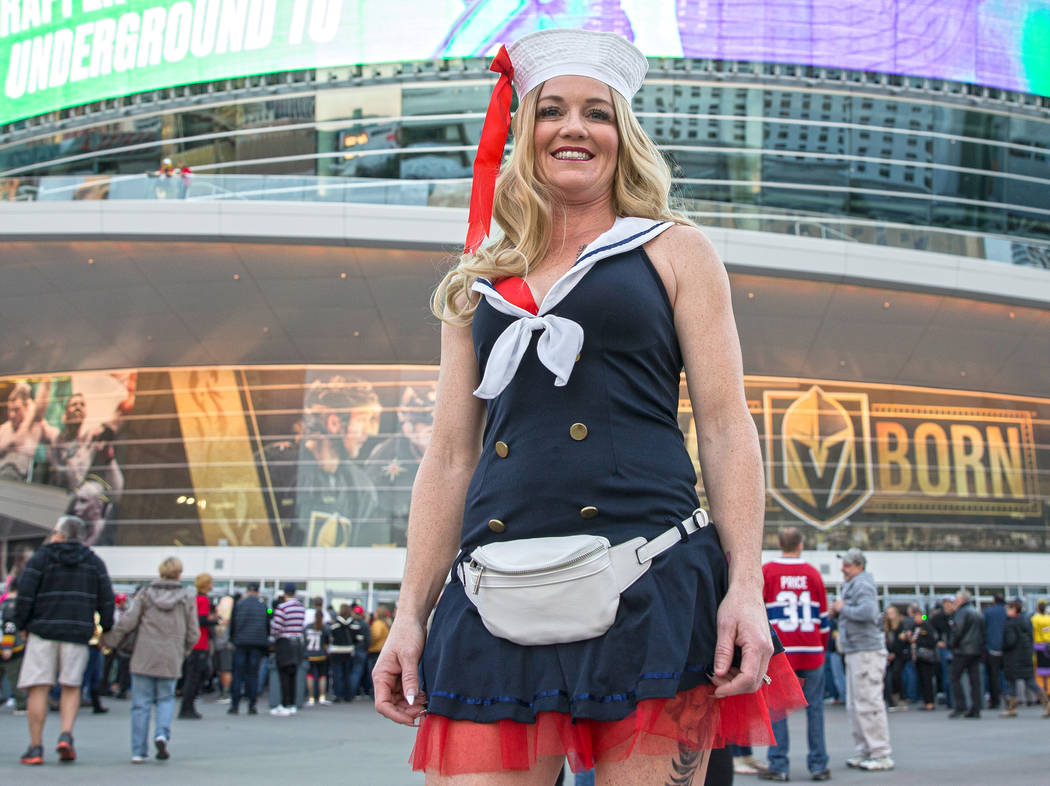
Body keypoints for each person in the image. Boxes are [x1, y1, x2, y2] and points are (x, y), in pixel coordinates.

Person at [372, 28, 804, 783]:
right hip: (490, 590)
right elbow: (448, 456)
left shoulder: (676, 249)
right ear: (524, 131)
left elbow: (727, 427)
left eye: (597, 113)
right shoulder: (478, 277)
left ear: (622, 136)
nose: (573, 128)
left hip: (651, 580)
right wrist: (410, 610)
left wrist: (745, 587)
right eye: (552, 111)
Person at [13, 515, 114, 765]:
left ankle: (35, 747)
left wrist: (22, 625)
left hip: (42, 631)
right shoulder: (93, 562)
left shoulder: (40, 559)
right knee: (71, 686)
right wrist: (107, 629)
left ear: (59, 534)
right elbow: (106, 599)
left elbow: (25, 595)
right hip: (77, 633)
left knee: (39, 687)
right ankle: (66, 735)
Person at [100, 556, 199, 763]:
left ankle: (138, 751)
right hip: (171, 655)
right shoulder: (187, 598)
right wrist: (185, 651)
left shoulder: (145, 594)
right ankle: (161, 734)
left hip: (144, 654)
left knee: (141, 703)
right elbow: (193, 632)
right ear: (179, 574)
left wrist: (109, 640)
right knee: (166, 698)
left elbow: (128, 622)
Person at [760, 527, 830, 781]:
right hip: (811, 651)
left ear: (780, 544)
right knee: (816, 710)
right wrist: (821, 647)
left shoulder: (768, 571)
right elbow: (823, 618)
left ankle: (779, 766)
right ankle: (819, 765)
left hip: (781, 653)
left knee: (777, 709)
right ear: (800, 545)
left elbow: (760, 613)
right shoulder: (812, 573)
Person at [829, 548, 893, 771]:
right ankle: (866, 750)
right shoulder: (854, 584)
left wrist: (842, 608)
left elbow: (868, 612)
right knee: (857, 704)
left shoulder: (862, 584)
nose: (842, 569)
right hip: (857, 650)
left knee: (868, 702)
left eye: (847, 565)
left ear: (859, 566)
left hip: (866, 651)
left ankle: (880, 752)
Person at [1001, 599, 1049, 718]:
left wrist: (1003, 646)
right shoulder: (1027, 620)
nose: (1006, 611)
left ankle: (1012, 707)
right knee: (1030, 681)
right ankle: (1046, 703)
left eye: (1007, 609)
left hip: (1013, 657)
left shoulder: (1011, 623)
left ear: (1013, 609)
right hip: (1028, 655)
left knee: (1012, 681)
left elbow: (1010, 641)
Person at [227, 582, 269, 715]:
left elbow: (233, 624)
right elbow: (267, 623)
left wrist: (232, 640)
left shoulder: (239, 605)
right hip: (257, 644)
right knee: (253, 674)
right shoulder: (263, 606)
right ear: (257, 592)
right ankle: (252, 705)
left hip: (240, 643)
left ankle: (235, 705)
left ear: (247, 591)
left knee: (238, 674)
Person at [178, 573, 216, 720]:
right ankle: (187, 706)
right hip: (200, 643)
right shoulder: (203, 600)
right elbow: (201, 620)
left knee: (193, 675)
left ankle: (188, 706)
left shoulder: (196, 599)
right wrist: (215, 622)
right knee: (196, 676)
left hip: (196, 642)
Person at [0, 380, 50, 482]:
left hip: (20, 482)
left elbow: (40, 406)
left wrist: (46, 379)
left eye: (16, 410)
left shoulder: (30, 426)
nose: (12, 415)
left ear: (26, 406)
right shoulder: (3, 429)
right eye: (10, 410)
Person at [948, 589, 985, 719]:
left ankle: (960, 705)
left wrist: (951, 644)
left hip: (963, 650)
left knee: (954, 676)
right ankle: (976, 707)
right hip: (976, 650)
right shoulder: (976, 612)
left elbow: (957, 630)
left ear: (961, 599)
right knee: (975, 680)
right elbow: (982, 631)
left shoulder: (962, 612)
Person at [270, 582, 305, 716]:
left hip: (284, 642)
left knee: (283, 674)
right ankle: (292, 704)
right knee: (293, 674)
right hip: (297, 642)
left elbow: (276, 628)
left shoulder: (282, 607)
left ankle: (283, 703)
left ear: (284, 593)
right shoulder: (301, 608)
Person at [1, 581, 27, 715]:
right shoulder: (12, 604)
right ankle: (22, 705)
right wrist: (7, 646)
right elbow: (9, 626)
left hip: (4, 645)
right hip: (11, 648)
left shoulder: (3, 601)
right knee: (15, 677)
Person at [910, 605, 939, 711]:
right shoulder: (913, 627)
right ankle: (926, 701)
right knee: (922, 680)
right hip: (917, 657)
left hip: (926, 657)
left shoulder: (927, 627)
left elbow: (932, 641)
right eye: (915, 617)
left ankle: (930, 702)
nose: (916, 619)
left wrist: (918, 641)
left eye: (919, 617)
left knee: (927, 680)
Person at [882, 606, 910, 711]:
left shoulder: (901, 626)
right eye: (888, 613)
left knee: (896, 675)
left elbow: (901, 642)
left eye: (892, 613)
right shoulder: (885, 627)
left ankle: (901, 697)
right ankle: (891, 699)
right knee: (887, 678)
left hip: (898, 655)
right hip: (887, 655)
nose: (890, 616)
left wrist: (894, 653)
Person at [982, 593, 1006, 711]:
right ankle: (1008, 697)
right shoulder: (1007, 611)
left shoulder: (988, 612)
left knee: (993, 675)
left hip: (991, 647)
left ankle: (995, 700)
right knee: (1006, 675)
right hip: (1007, 648)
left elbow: (983, 628)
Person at [304, 610, 331, 706]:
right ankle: (322, 697)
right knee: (322, 676)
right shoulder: (324, 628)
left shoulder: (308, 627)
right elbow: (327, 642)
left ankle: (311, 698)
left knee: (310, 676)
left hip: (309, 655)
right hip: (321, 655)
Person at [1030, 600, 1050, 697]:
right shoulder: (1048, 618)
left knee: (1040, 672)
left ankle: (1042, 691)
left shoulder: (1035, 619)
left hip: (1039, 647)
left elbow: (1032, 632)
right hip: (1048, 646)